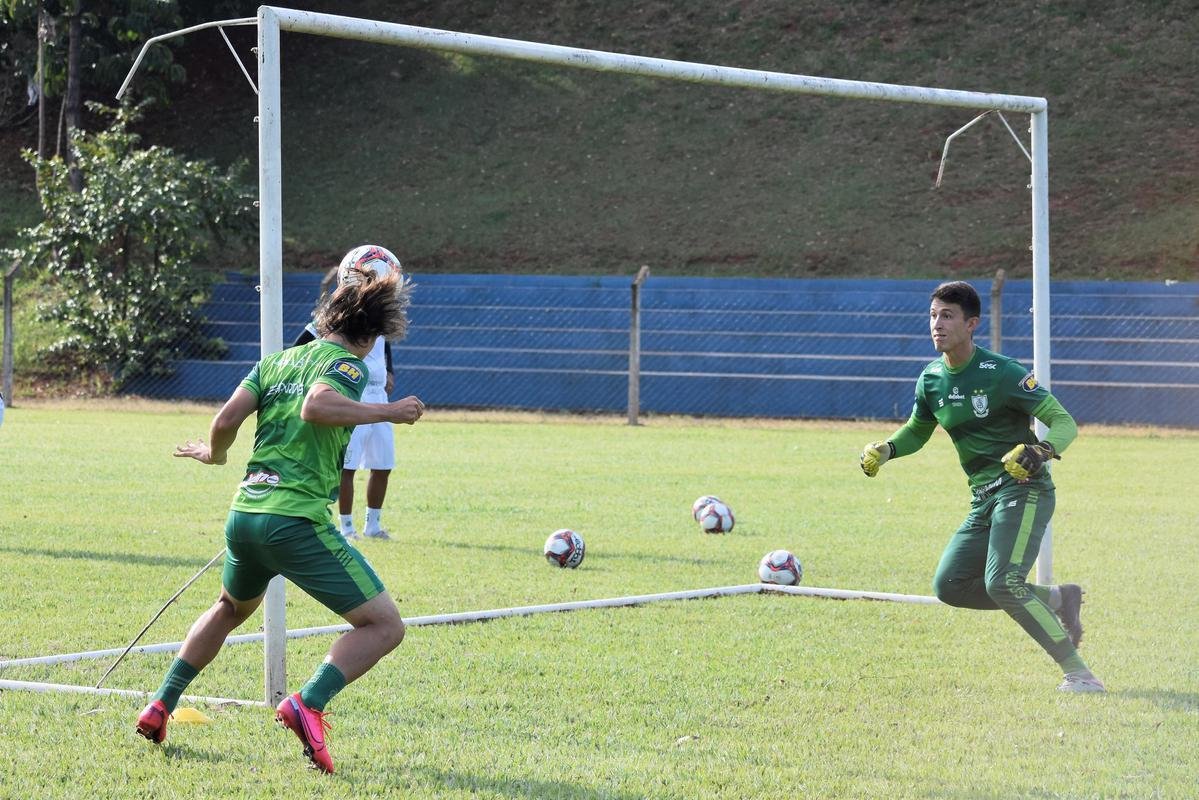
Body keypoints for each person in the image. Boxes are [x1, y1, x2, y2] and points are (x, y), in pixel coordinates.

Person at [136, 260, 425, 773]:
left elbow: (226, 419)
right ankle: (307, 702)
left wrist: (215, 454)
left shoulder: (277, 362)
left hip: (245, 513)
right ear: (370, 336)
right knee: (384, 626)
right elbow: (318, 406)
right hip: (293, 522)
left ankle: (161, 704)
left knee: (228, 608)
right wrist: (390, 410)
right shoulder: (348, 365)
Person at [859, 280, 1104, 693]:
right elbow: (918, 431)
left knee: (1002, 582)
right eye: (933, 315)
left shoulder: (1003, 373)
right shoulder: (931, 379)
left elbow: (1064, 422)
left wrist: (1040, 450)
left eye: (948, 315)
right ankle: (1059, 598)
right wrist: (888, 450)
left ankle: (1081, 675)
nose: (937, 324)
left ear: (972, 324)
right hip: (982, 499)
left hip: (1022, 490)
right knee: (949, 585)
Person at [291, 246, 401, 541]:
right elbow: (300, 345)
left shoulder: (378, 316)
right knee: (348, 466)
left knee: (383, 465)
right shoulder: (336, 315)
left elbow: (384, 343)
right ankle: (347, 527)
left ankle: (373, 525)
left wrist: (389, 370)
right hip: (347, 394)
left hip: (379, 396)